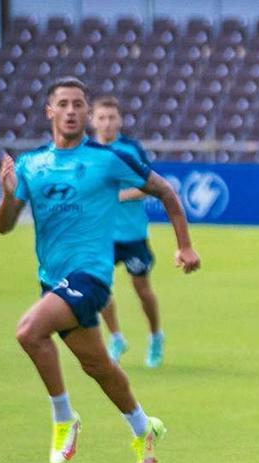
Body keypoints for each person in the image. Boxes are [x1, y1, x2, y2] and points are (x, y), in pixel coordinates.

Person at [0, 77, 202, 463]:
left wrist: (185, 245)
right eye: (64, 104)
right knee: (99, 366)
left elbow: (166, 193)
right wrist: (6, 196)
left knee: (28, 332)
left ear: (87, 114)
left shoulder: (107, 159)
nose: (72, 111)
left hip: (91, 275)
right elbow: (3, 227)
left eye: (78, 105)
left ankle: (63, 419)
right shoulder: (31, 165)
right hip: (52, 279)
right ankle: (144, 428)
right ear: (50, 112)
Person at [89, 96, 164, 367]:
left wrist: (118, 196)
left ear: (120, 120)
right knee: (98, 287)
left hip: (132, 234)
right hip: (100, 235)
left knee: (142, 289)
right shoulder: (85, 151)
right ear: (92, 121)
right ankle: (117, 337)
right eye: (101, 118)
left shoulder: (130, 150)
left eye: (111, 118)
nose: (107, 123)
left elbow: (149, 187)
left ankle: (155, 335)